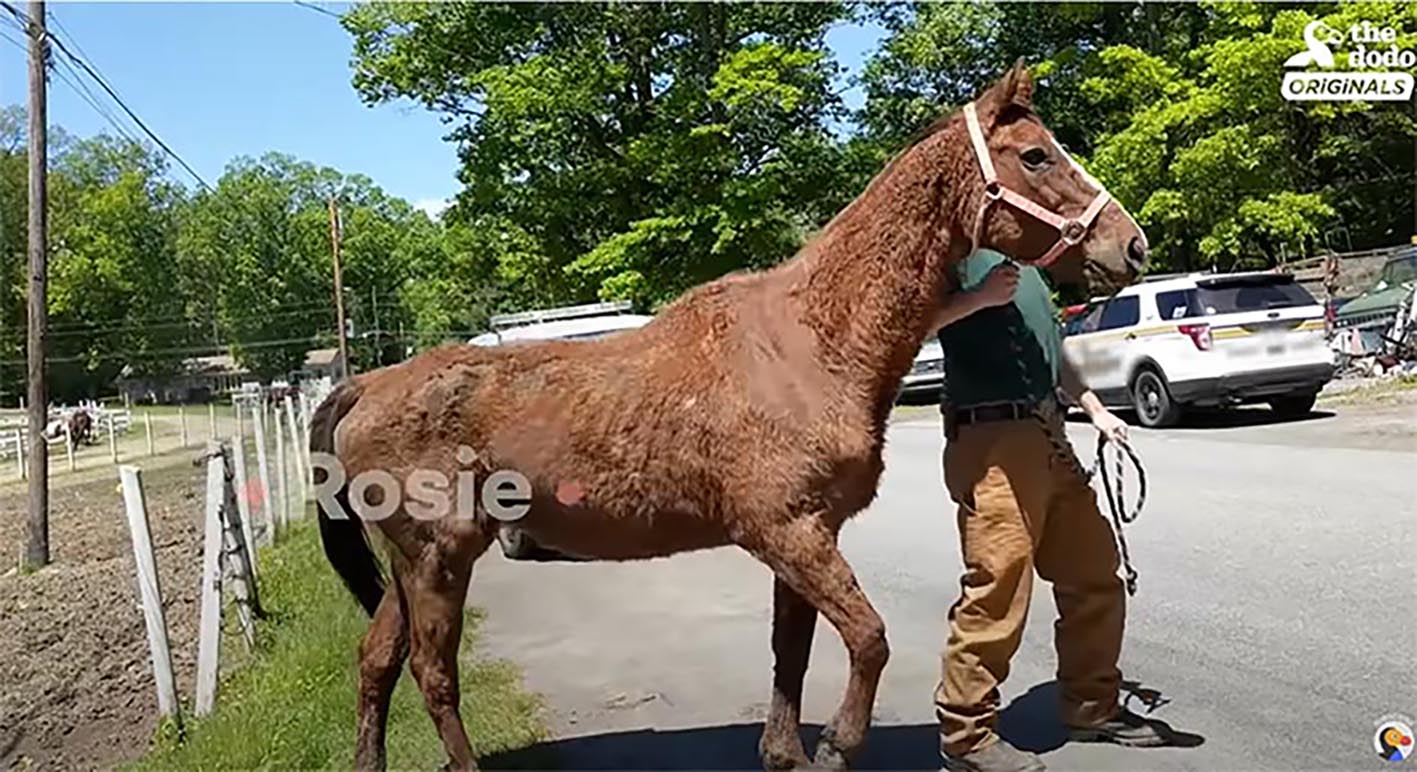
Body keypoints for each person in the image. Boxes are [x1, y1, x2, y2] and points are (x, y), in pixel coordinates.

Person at [929, 249, 1169, 772]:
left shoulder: (1030, 266)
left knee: (1094, 574)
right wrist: (977, 299)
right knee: (999, 585)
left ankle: (1092, 706)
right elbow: (907, 326)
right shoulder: (955, 253)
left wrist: (1097, 410)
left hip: (1048, 433)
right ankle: (966, 736)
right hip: (990, 439)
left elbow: (1054, 354)